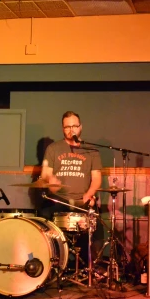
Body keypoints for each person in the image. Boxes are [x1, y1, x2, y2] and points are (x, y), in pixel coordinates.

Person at [40, 111, 102, 264]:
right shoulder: (53, 149)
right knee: (43, 223)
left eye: (74, 126)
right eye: (67, 127)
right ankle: (52, 265)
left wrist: (89, 194)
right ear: (62, 128)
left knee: (98, 229)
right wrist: (50, 180)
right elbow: (45, 174)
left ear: (80, 127)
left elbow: (96, 178)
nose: (71, 129)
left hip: (82, 202)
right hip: (59, 202)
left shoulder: (91, 150)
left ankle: (92, 267)